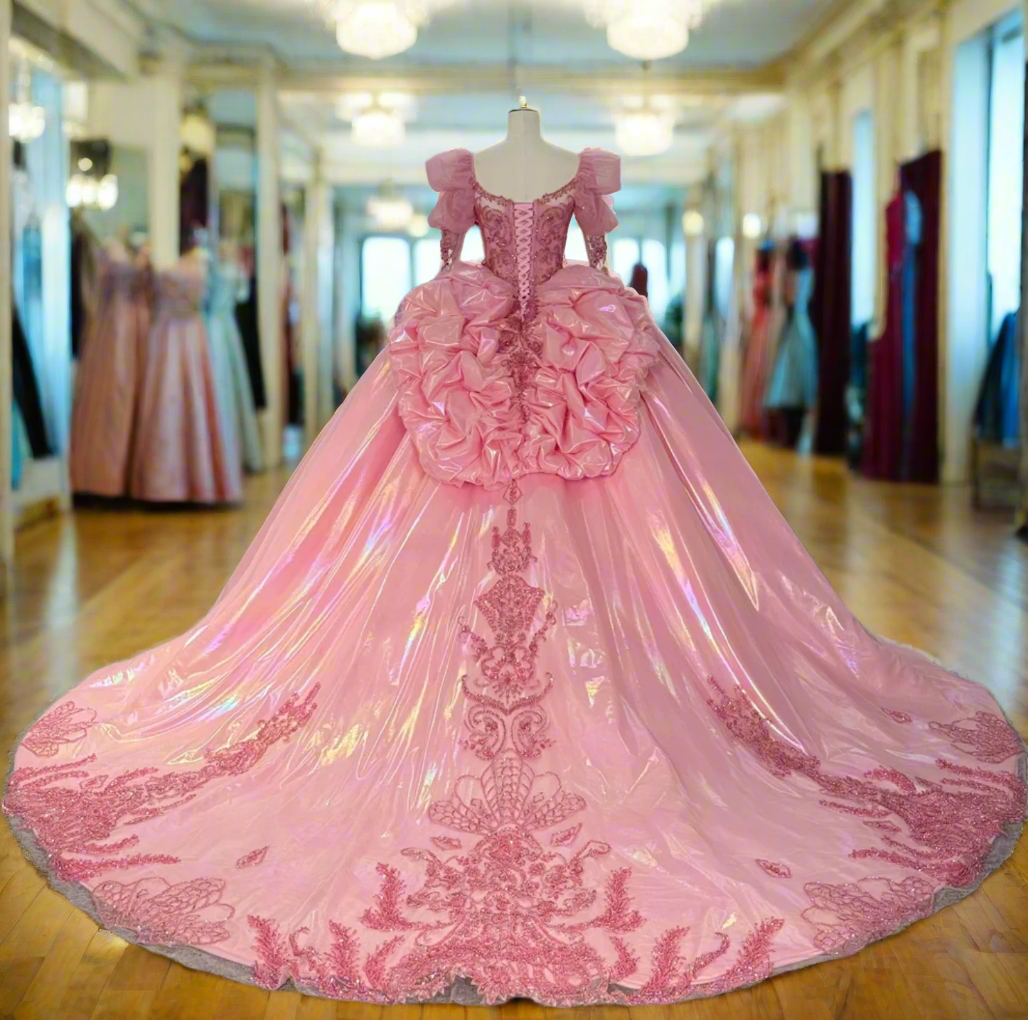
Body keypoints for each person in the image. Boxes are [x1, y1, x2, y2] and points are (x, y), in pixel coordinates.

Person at [5, 143, 1024, 1009]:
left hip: (575, 358)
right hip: (470, 352)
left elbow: (586, 252)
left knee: (624, 547)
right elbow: (459, 256)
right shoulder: (472, 175)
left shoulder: (576, 172)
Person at [765, 240, 818, 448]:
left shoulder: (791, 277)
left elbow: (789, 301)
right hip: (804, 325)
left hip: (793, 326)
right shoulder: (809, 274)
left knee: (788, 379)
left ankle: (788, 435)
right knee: (800, 379)